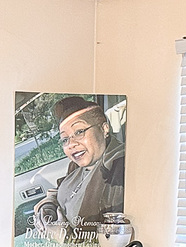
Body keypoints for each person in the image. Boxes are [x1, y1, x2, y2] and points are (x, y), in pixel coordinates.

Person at [33, 96, 125, 236]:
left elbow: (112, 238)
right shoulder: (76, 166)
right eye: (65, 139)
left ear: (104, 128)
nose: (71, 144)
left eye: (79, 132)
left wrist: (66, 238)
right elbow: (59, 191)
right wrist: (48, 207)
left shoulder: (119, 169)